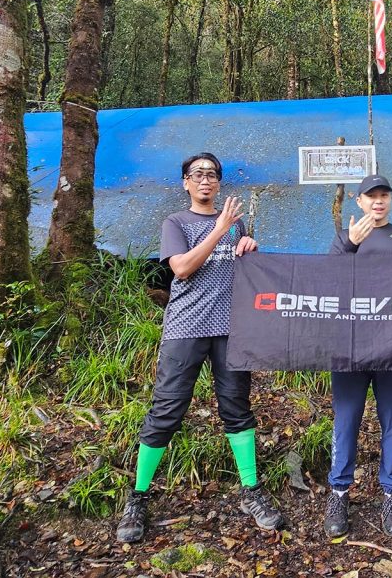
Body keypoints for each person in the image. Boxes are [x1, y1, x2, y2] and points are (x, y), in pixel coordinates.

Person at [116, 153, 283, 543]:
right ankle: (137, 497)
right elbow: (182, 268)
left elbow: (239, 269)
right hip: (185, 328)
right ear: (186, 183)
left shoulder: (235, 223)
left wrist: (249, 248)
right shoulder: (176, 222)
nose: (205, 180)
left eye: (212, 174)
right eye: (198, 174)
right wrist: (219, 229)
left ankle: (251, 491)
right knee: (166, 410)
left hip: (231, 330)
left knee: (237, 409)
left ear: (219, 182)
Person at [324, 174, 392, 539]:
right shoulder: (342, 238)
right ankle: (338, 493)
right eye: (371, 196)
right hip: (350, 348)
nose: (378, 201)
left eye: (384, 195)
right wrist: (351, 243)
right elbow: (328, 282)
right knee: (346, 420)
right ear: (359, 201)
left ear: (390, 200)